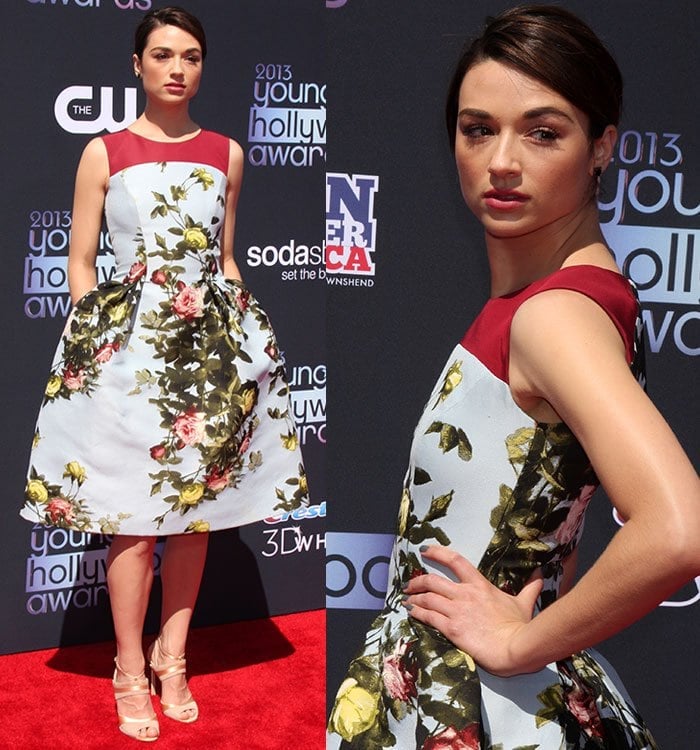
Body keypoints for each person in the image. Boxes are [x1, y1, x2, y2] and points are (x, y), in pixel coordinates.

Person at [327, 5, 700, 748]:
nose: (502, 160)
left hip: (470, 695)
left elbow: (678, 530)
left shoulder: (552, 317)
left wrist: (518, 644)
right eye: (478, 129)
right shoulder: (577, 295)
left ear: (602, 148)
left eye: (542, 132)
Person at [20, 6, 308, 743]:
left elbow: (226, 259)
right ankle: (126, 666)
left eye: (191, 55)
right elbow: (81, 262)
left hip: (207, 358)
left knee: (194, 515)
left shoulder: (227, 153)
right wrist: (101, 346)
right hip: (128, 356)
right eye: (162, 54)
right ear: (138, 65)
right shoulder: (104, 152)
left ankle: (171, 658)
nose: (178, 67)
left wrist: (245, 334)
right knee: (132, 522)